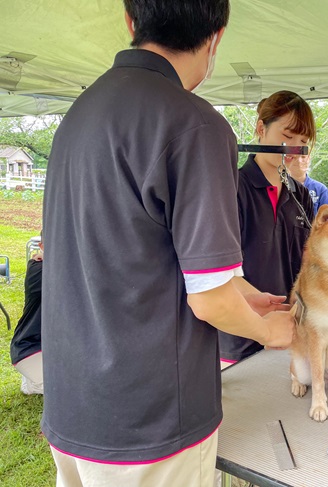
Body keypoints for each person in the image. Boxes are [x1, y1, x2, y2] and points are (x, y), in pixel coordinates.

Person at [41, 2, 295, 486]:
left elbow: (140, 250)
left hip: (74, 399)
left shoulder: (79, 113)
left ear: (131, 21)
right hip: (149, 416)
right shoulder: (194, 124)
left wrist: (244, 293)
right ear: (217, 36)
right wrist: (274, 332)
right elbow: (209, 300)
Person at [218, 90, 316, 365]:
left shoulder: (300, 195)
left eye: (302, 141)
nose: (294, 148)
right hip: (237, 336)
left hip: (290, 331)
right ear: (261, 128)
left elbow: (308, 261)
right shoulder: (230, 188)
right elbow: (219, 269)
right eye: (287, 136)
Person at [10, 237, 44, 395]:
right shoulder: (38, 268)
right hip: (30, 348)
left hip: (51, 348)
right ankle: (34, 382)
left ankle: (34, 379)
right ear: (41, 246)